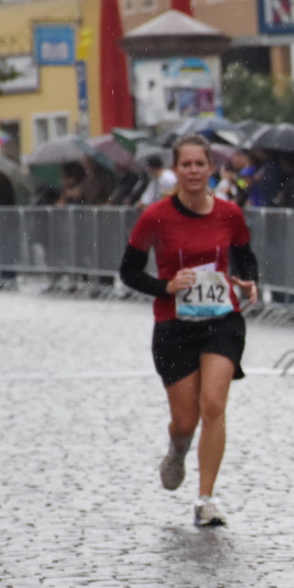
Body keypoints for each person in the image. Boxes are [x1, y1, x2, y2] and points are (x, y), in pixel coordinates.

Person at [118, 134, 260, 527]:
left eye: (201, 164)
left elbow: (246, 257)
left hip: (221, 320)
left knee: (213, 405)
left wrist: (249, 281)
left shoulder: (230, 213)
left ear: (211, 168)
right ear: (175, 170)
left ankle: (205, 499)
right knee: (185, 421)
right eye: (187, 165)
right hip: (174, 325)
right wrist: (165, 286)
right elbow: (127, 270)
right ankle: (177, 449)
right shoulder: (155, 217)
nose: (194, 171)